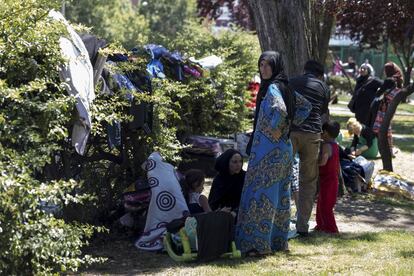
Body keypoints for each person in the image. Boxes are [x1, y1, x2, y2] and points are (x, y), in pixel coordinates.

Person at [236, 51, 311, 255]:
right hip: (284, 149)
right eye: (261, 65)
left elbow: (279, 110)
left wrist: (275, 130)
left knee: (261, 194)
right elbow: (306, 107)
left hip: (268, 150)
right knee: (280, 196)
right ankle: (278, 242)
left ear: (276, 66)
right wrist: (289, 127)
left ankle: (258, 245)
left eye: (268, 65)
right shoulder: (286, 86)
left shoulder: (272, 89)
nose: (264, 69)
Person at [289, 60, 330, 237]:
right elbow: (323, 113)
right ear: (320, 74)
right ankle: (302, 225)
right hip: (312, 135)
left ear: (304, 70)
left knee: (283, 176)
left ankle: (279, 222)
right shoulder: (323, 86)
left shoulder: (291, 82)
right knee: (308, 180)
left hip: (291, 134)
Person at [371, 62, 403, 154]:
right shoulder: (399, 80)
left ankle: (386, 150)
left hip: (384, 108)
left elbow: (379, 94)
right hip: (391, 108)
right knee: (387, 129)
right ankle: (389, 149)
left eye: (386, 70)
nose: (384, 72)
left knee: (381, 129)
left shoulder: (390, 80)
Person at [315, 121, 340, 234]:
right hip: (332, 179)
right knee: (323, 202)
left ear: (325, 133)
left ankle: (331, 228)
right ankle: (321, 225)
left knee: (325, 205)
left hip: (328, 180)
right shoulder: (335, 145)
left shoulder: (326, 146)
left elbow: (324, 161)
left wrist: (314, 163)